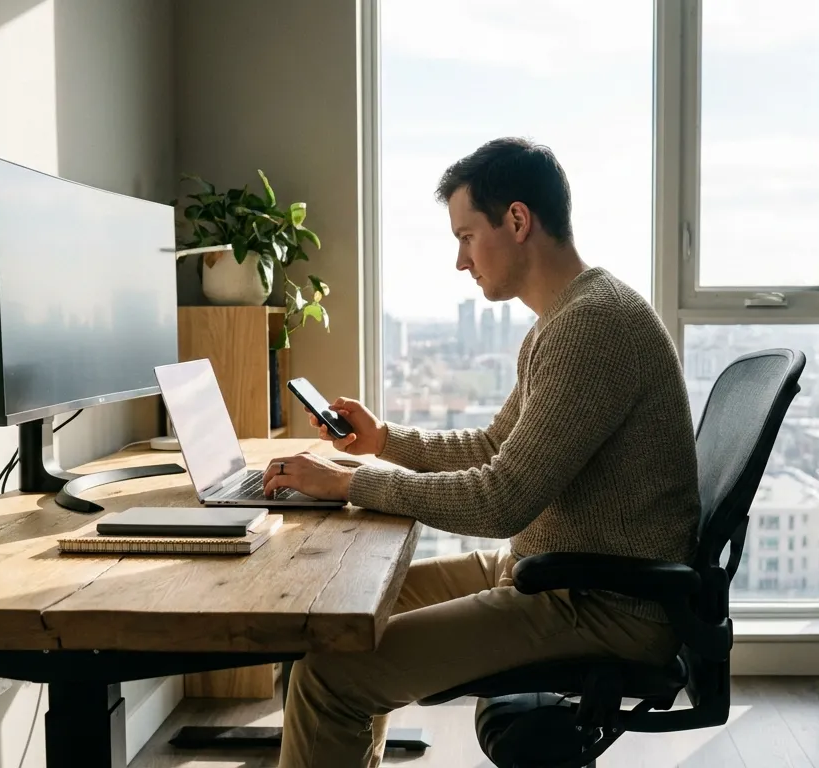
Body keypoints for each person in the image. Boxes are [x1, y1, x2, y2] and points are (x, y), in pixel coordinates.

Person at [261, 137, 700, 768]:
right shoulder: (569, 315)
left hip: (598, 605)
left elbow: (501, 500)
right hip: (553, 572)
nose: (460, 261)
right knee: (343, 615)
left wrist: (350, 484)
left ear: (517, 221)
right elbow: (496, 448)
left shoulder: (592, 325)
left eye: (466, 236)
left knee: (332, 677)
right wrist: (384, 442)